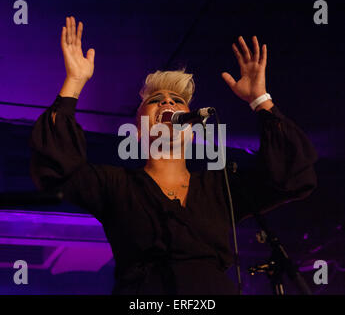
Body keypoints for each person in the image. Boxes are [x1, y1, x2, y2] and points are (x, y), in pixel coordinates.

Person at [29, 16, 317, 295]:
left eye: (177, 100)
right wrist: (74, 83)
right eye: (155, 101)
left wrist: (260, 99)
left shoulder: (222, 187)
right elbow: (58, 168)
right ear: (139, 131)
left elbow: (291, 177)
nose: (167, 101)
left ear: (191, 130)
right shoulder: (115, 185)